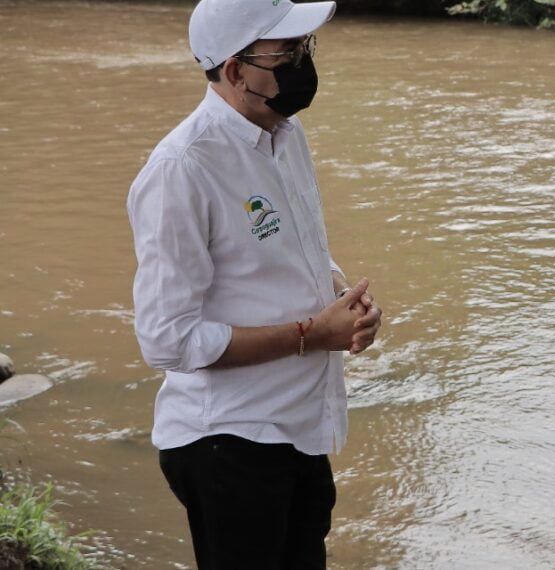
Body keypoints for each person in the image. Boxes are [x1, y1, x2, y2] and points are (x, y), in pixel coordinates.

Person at [126, 0, 381, 567]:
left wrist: (348, 305)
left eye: (305, 48)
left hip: (298, 429)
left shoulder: (286, 136)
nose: (301, 62)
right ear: (236, 70)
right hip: (228, 444)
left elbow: (294, 250)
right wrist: (314, 333)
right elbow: (169, 341)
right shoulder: (183, 169)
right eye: (285, 52)